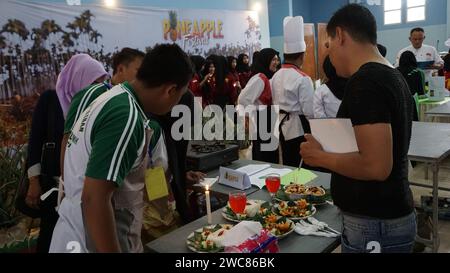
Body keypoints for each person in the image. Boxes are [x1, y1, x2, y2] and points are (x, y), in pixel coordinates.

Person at [49, 43, 194, 253]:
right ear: (170, 90)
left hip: (79, 230)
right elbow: (94, 198)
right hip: (92, 239)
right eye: (180, 96)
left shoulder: (114, 98)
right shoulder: (126, 116)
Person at [300, 4, 416, 253]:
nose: (328, 56)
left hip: (375, 224)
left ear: (340, 36)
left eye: (328, 47)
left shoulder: (366, 81)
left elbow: (376, 166)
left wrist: (320, 157)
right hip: (382, 219)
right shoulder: (391, 75)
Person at [25, 54, 108, 253]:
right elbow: (35, 141)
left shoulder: (95, 105)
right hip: (52, 185)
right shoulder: (50, 100)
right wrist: (34, 182)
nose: (99, 87)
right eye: (94, 82)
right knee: (50, 233)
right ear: (79, 78)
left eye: (102, 82)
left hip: (81, 188)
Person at [271, 16, 314, 167]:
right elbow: (310, 112)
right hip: (297, 127)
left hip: (281, 125)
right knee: (301, 165)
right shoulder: (303, 79)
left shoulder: (275, 76)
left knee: (288, 163)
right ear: (302, 56)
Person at [237, 48, 280, 164]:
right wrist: (250, 116)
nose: (276, 62)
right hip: (262, 119)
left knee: (268, 154)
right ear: (265, 60)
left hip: (267, 118)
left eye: (277, 59)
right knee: (264, 156)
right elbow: (243, 99)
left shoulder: (268, 76)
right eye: (273, 60)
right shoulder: (260, 78)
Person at [397, 50, 425, 121]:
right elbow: (421, 92)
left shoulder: (395, 71)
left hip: (397, 101)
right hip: (410, 100)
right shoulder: (417, 72)